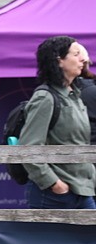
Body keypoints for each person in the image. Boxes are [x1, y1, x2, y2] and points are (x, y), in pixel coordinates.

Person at [19, 35, 96, 209]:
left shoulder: (75, 94)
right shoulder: (45, 97)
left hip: (82, 190)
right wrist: (55, 184)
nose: (83, 58)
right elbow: (28, 148)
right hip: (55, 194)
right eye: (76, 54)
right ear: (59, 60)